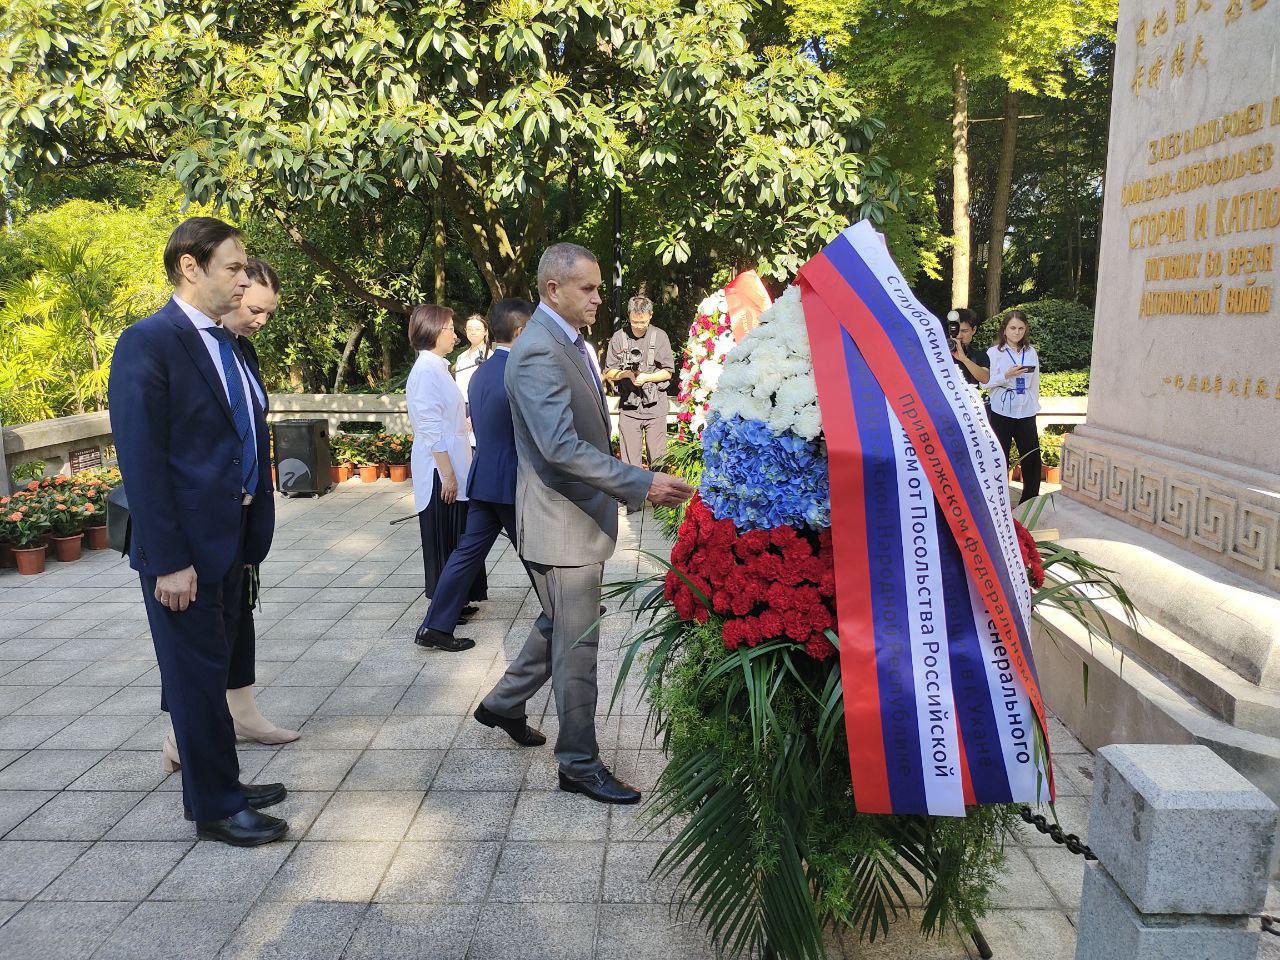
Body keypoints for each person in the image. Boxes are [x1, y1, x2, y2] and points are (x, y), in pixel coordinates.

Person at [476, 243, 694, 804]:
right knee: (578, 644)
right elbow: (560, 447)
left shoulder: (568, 340)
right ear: (553, 289)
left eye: (598, 288)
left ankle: (503, 702)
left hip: (573, 517)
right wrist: (640, 482)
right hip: (561, 523)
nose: (599, 298)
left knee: (562, 623)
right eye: (588, 289)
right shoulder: (538, 350)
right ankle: (578, 763)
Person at [108, 217, 289, 846]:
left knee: (215, 672)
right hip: (182, 552)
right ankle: (215, 806)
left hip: (232, 538)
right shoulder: (148, 342)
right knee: (195, 680)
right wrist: (169, 560)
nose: (243, 279)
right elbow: (143, 462)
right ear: (191, 267)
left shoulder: (232, 345)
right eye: (233, 268)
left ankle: (224, 781)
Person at [159, 257, 299, 775]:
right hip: (198, 520)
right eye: (254, 308)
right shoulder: (180, 347)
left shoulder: (240, 350)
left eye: (267, 312)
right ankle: (184, 733)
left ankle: (242, 714)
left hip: (241, 516)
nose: (260, 319)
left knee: (236, 618)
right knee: (199, 631)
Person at [417, 299, 536, 661]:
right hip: (508, 479)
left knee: (467, 553)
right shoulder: (518, 371)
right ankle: (567, 608)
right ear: (520, 332)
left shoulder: (480, 372)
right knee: (535, 548)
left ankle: (435, 625)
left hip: (483, 476)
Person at [407, 304, 486, 650]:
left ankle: (456, 602)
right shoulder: (426, 370)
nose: (455, 334)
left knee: (456, 535)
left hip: (453, 463)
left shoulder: (438, 367)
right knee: (445, 538)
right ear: (434, 332)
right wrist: (448, 474)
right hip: (441, 468)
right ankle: (441, 616)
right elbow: (428, 427)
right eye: (450, 328)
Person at [604, 295, 675, 479]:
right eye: (634, 322)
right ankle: (633, 496)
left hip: (655, 407)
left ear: (650, 315)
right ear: (629, 316)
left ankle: (659, 496)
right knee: (629, 465)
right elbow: (609, 372)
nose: (638, 326)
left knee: (659, 462)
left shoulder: (660, 336)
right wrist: (627, 374)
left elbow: (668, 372)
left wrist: (647, 378)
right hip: (629, 407)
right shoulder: (619, 337)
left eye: (643, 322)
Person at [986, 309, 1042, 503]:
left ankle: (1029, 502)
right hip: (1001, 410)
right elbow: (984, 383)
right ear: (1004, 329)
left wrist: (1034, 404)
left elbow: (1035, 382)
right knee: (999, 455)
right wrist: (1006, 375)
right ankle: (997, 501)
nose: (1016, 332)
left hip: (1025, 409)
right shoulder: (993, 353)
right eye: (1012, 328)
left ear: (1025, 329)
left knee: (1032, 457)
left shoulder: (1030, 352)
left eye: (1020, 328)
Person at [948, 308, 990, 388]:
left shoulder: (979, 355)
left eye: (964, 331)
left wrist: (964, 359)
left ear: (973, 330)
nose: (959, 336)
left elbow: (985, 379)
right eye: (955, 331)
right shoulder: (939, 352)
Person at [453, 313, 490, 402]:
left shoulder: (489, 356)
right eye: (469, 329)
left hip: (478, 404)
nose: (473, 332)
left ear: (485, 331)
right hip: (459, 403)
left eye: (477, 329)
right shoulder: (461, 357)